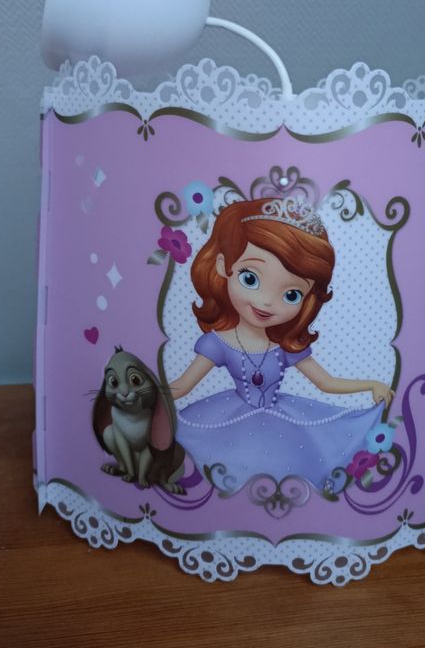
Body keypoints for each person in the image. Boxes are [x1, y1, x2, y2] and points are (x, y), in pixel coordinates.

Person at [169, 196, 394, 490]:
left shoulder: (284, 346)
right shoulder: (219, 343)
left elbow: (325, 383)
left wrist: (370, 384)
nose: (266, 302)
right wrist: (146, 397)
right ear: (224, 267)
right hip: (229, 423)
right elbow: (183, 386)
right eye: (250, 279)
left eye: (291, 295)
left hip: (283, 423)